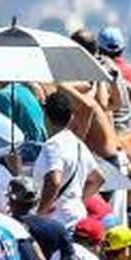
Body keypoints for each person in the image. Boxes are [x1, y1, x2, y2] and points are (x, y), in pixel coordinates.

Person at [34, 90, 105, 228]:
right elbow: (98, 179)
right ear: (71, 117)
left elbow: (54, 181)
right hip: (77, 217)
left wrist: (39, 214)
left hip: (58, 220)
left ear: (45, 115)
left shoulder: (53, 145)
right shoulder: (77, 143)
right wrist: (75, 200)